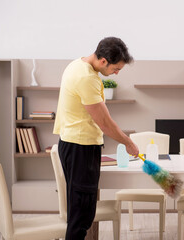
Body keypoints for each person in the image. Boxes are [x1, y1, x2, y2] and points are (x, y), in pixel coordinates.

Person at [53, 36, 139, 239]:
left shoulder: (77, 65)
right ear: (103, 61)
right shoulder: (87, 78)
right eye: (116, 68)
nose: (116, 73)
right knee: (81, 214)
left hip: (74, 144)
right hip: (80, 147)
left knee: (81, 211)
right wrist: (128, 142)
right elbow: (105, 123)